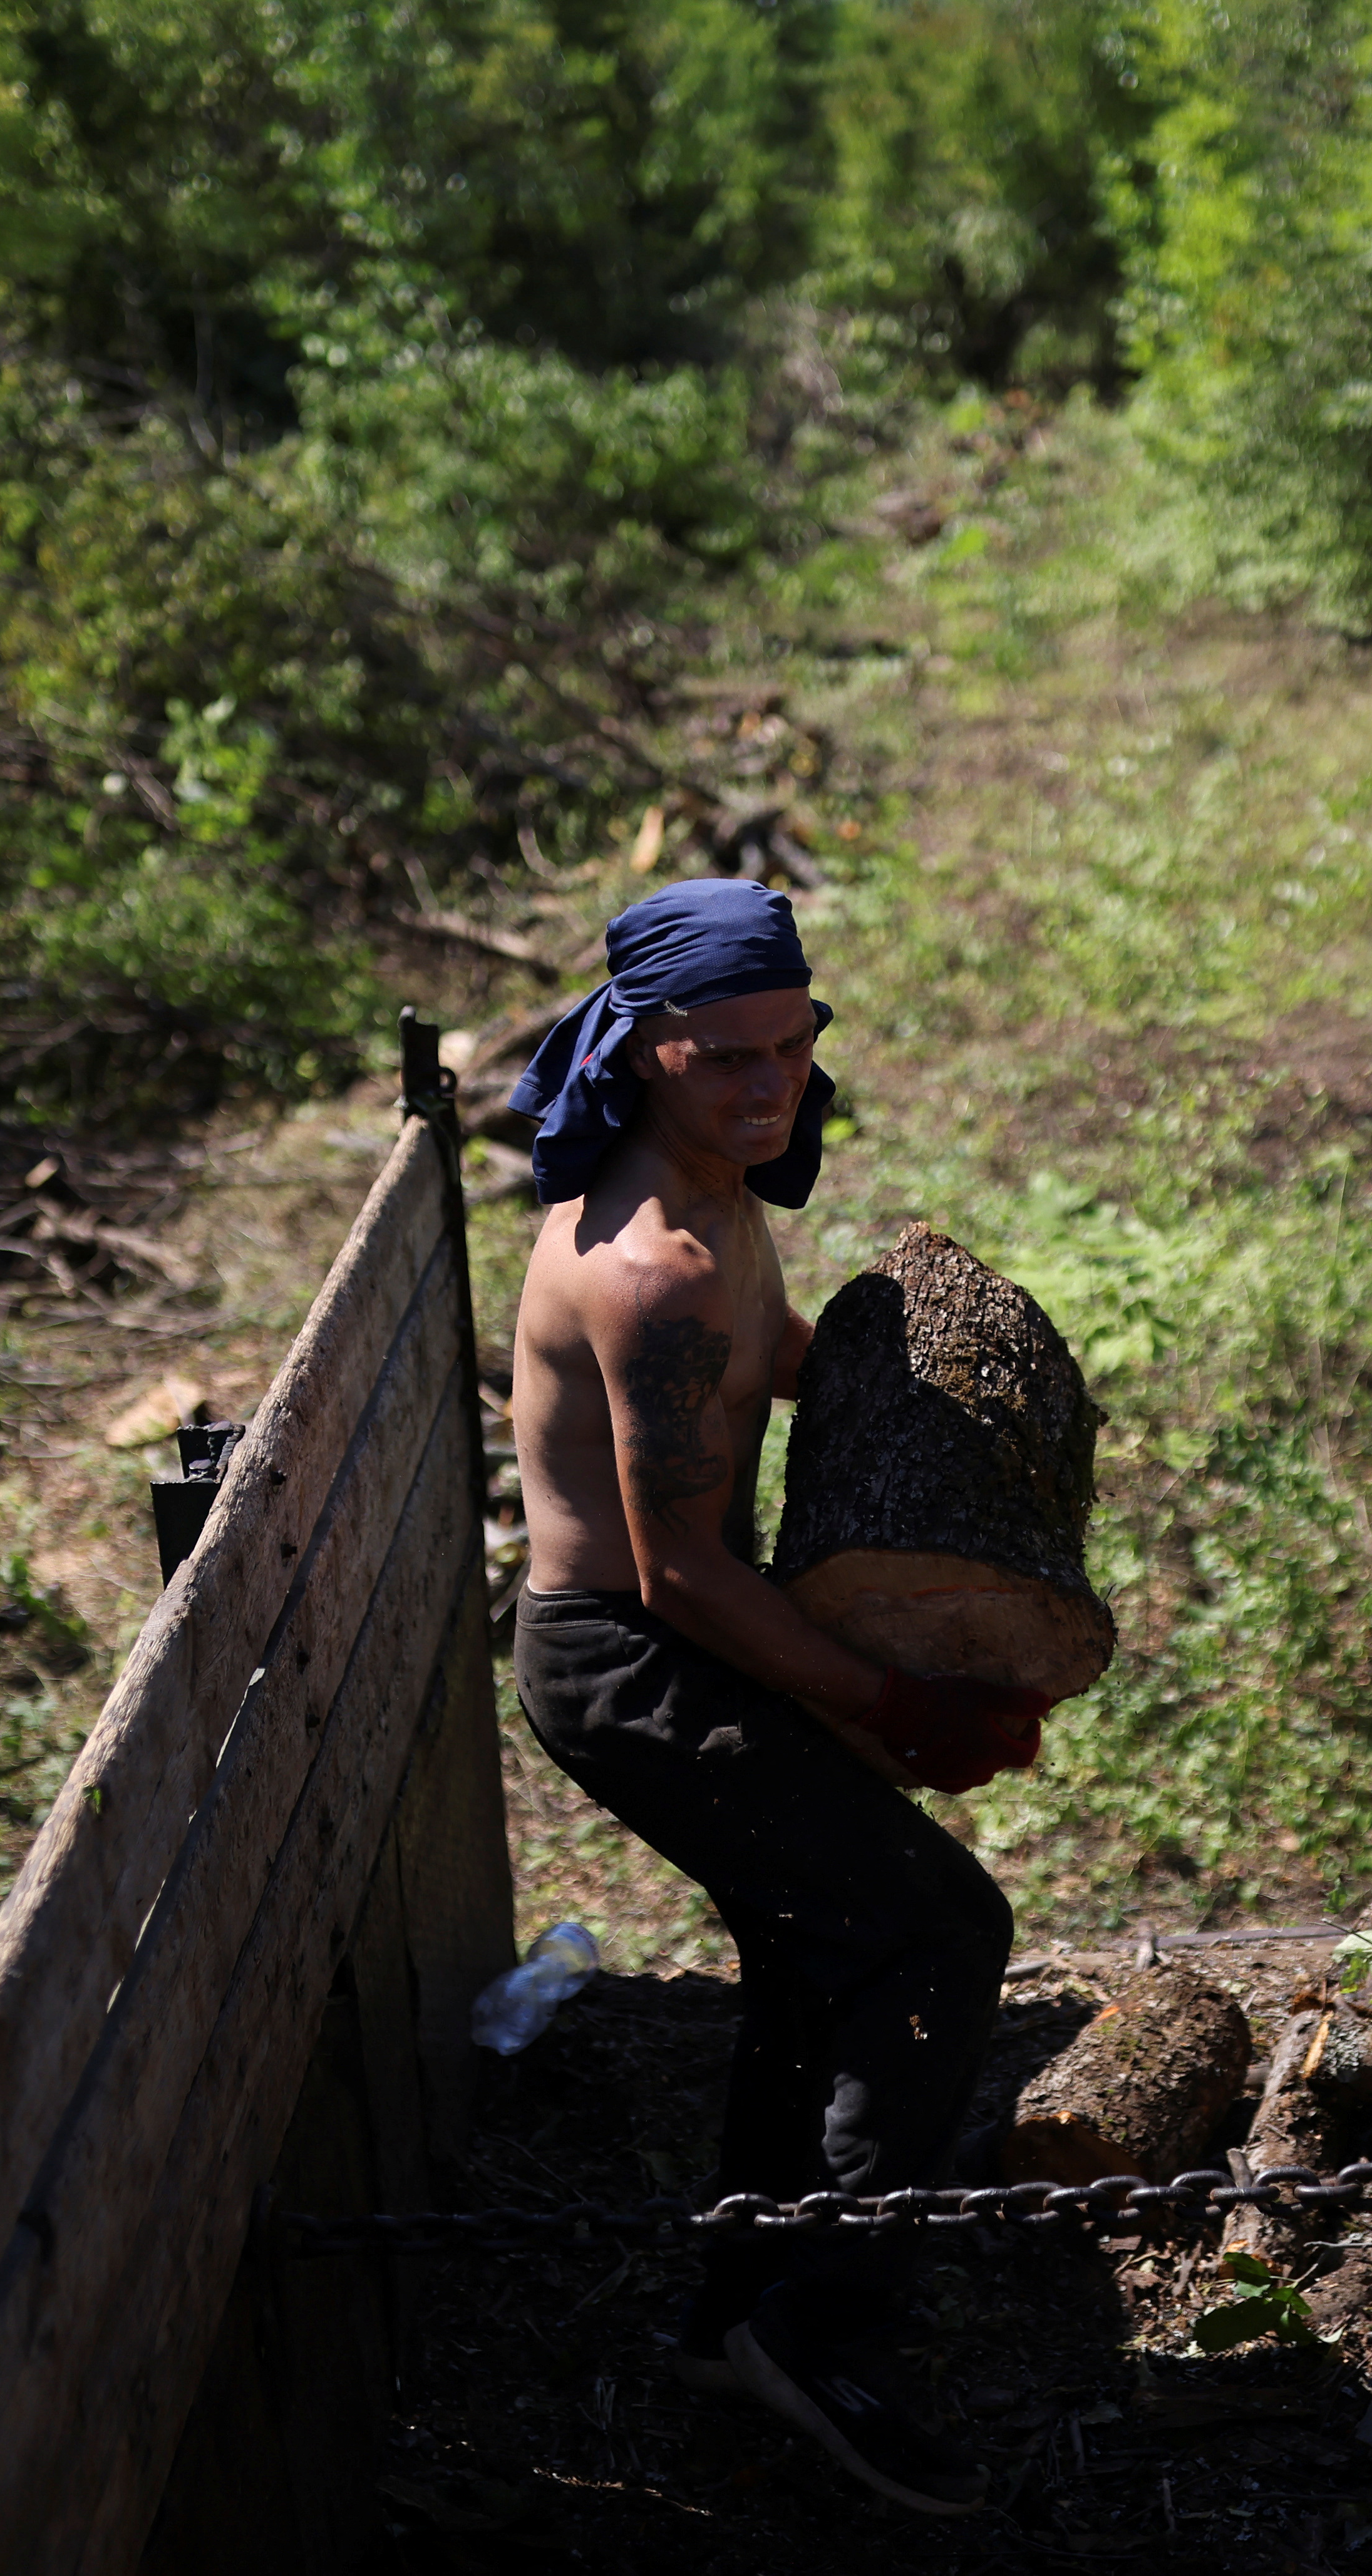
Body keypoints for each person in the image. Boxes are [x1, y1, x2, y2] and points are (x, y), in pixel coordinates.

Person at [501, 875, 1049, 2519]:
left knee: (822, 1948)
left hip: (680, 1632)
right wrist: (897, 1705)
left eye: (796, 1049)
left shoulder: (712, 1187)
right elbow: (681, 1575)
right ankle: (821, 2329)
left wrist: (926, 1395)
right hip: (631, 1661)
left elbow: (771, 1358)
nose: (772, 1088)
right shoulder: (647, 1263)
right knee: (940, 1930)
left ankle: (738, 2306)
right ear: (643, 1045)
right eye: (730, 1055)